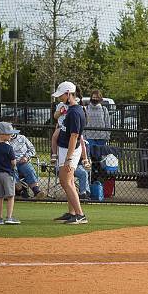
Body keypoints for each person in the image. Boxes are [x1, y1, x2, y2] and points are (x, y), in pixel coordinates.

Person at [52, 81, 88, 225]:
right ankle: (72, 212)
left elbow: (74, 137)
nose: (60, 98)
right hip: (65, 148)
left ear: (68, 94)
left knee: (65, 181)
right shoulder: (71, 109)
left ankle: (80, 215)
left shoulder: (74, 112)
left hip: (69, 150)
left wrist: (68, 159)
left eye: (61, 95)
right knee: (69, 181)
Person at [0, 122, 20, 225]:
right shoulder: (8, 148)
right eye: (9, 133)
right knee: (10, 196)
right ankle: (9, 217)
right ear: (2, 134)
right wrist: (13, 168)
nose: (11, 135)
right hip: (7, 174)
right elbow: (13, 162)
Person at [9, 131, 46, 199]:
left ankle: (36, 191)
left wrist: (26, 157)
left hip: (23, 161)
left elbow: (32, 150)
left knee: (29, 170)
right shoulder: (3, 141)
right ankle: (22, 192)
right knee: (13, 172)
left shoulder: (22, 138)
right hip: (10, 163)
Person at [85, 90, 110, 155]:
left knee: (100, 155)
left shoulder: (104, 109)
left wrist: (107, 136)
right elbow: (84, 123)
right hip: (89, 136)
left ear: (100, 98)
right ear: (91, 98)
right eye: (94, 97)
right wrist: (84, 136)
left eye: (97, 97)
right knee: (91, 155)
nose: (95, 99)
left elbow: (107, 123)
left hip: (102, 137)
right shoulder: (86, 109)